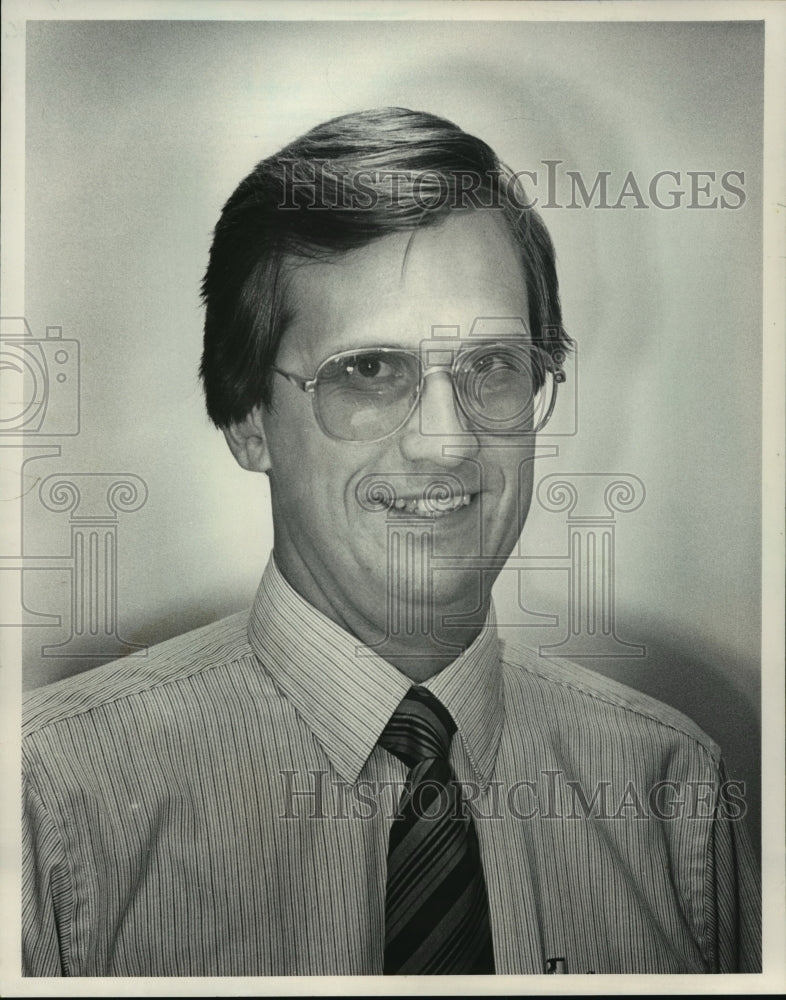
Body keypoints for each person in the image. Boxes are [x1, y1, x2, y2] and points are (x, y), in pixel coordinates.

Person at [22, 107, 761, 976]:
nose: (447, 442)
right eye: (370, 371)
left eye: (492, 366)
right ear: (249, 417)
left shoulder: (674, 794)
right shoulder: (52, 799)